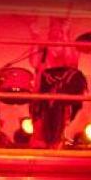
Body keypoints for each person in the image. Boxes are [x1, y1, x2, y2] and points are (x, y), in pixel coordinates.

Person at [28, 18, 85, 149]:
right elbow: (34, 62)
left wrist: (66, 36)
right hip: (41, 96)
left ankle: (55, 148)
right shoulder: (43, 50)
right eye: (52, 30)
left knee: (58, 130)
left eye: (59, 30)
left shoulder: (70, 49)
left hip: (60, 99)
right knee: (39, 129)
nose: (55, 33)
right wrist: (35, 36)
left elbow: (72, 63)